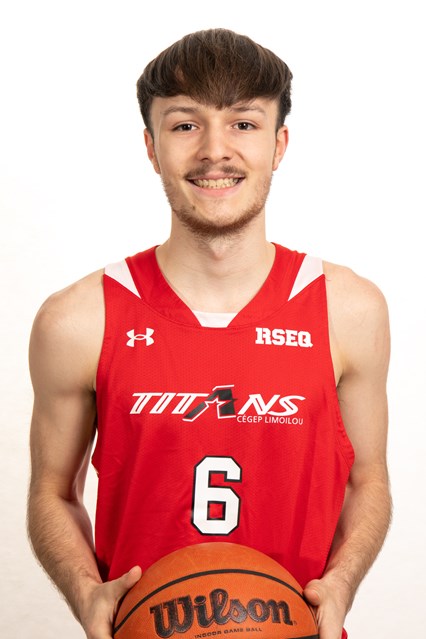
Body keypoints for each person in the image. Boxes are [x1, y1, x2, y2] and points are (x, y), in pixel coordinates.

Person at [27, 28, 391, 639]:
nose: (215, 151)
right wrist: (86, 590)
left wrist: (342, 582)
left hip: (290, 625)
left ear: (279, 145)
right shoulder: (78, 320)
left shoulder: (348, 309)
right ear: (150, 146)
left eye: (244, 124)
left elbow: (368, 478)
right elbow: (53, 492)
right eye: (185, 124)